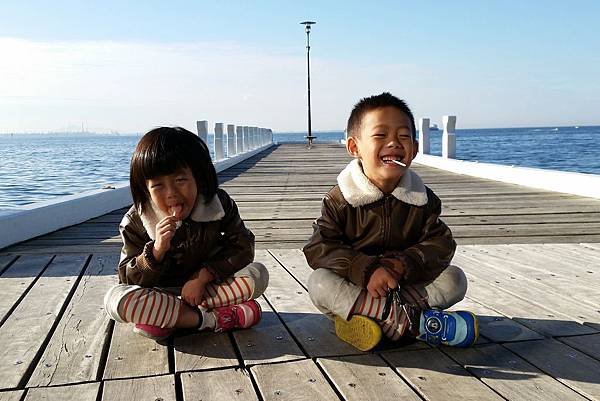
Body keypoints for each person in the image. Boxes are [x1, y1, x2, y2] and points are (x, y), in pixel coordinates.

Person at [303, 93, 478, 351]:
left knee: (455, 279)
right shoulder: (340, 199)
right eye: (380, 135)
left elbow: (441, 244)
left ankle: (375, 322)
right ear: (354, 148)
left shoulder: (423, 200)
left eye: (403, 136)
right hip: (359, 288)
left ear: (414, 149)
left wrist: (402, 264)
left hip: (404, 287)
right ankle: (413, 323)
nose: (394, 143)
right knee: (319, 283)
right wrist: (365, 269)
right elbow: (319, 247)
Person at [104, 126, 269, 341]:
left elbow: (243, 246)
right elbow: (126, 277)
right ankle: (212, 319)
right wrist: (156, 251)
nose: (171, 193)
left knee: (258, 274)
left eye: (180, 180)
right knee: (114, 300)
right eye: (158, 186)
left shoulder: (217, 204)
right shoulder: (135, 221)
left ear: (199, 178)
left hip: (208, 289)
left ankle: (169, 319)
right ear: (145, 189)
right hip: (158, 293)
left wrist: (202, 277)